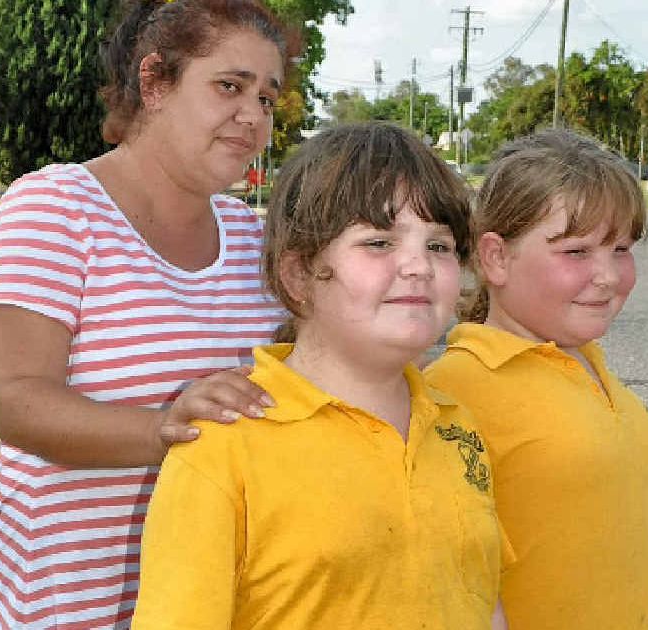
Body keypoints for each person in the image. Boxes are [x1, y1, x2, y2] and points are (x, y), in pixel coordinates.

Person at [0, 1, 296, 627]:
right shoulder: (56, 210)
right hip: (73, 609)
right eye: (230, 86)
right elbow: (18, 402)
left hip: (221, 607)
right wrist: (168, 429)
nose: (253, 117)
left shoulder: (257, 241)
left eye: (267, 99)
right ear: (154, 83)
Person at [132, 122, 510, 630]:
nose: (418, 265)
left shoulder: (458, 428)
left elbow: (485, 601)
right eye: (379, 242)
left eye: (439, 246)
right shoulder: (224, 447)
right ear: (298, 275)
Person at [424, 129, 648, 629]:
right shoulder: (455, 389)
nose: (607, 275)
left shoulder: (586, 359)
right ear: (496, 257)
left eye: (621, 249)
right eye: (577, 252)